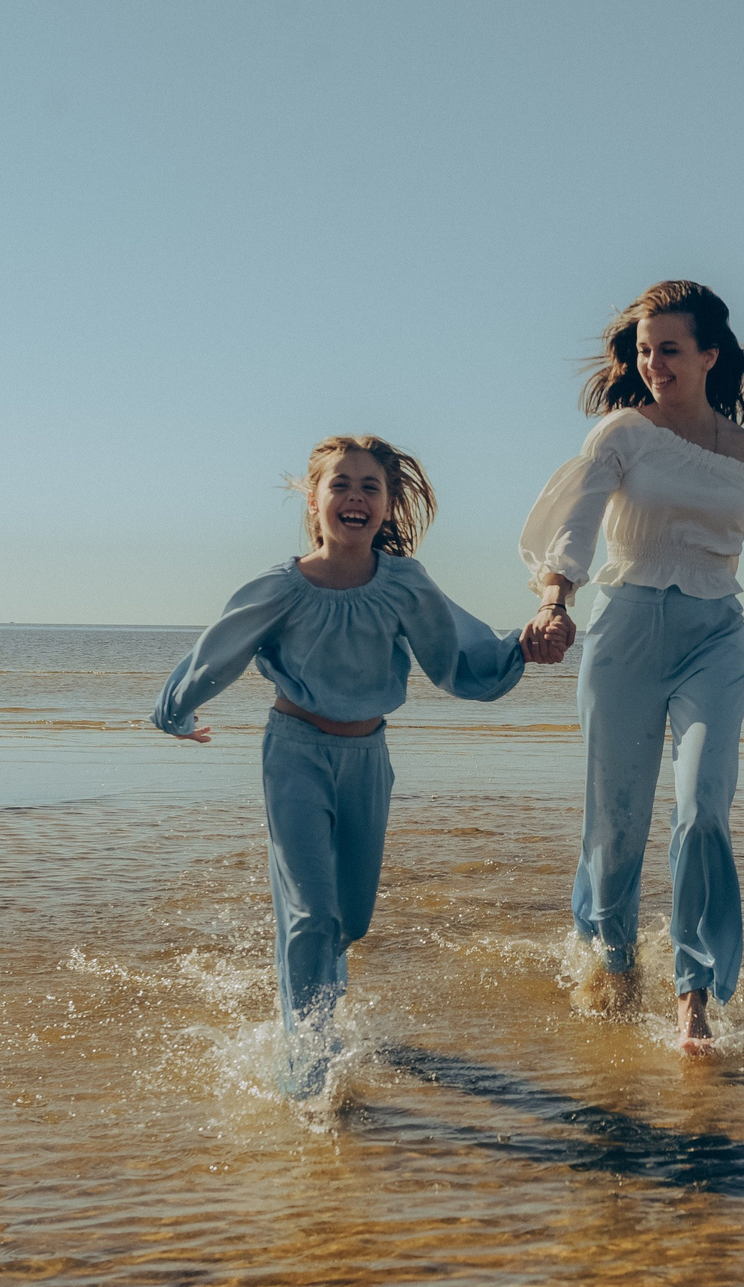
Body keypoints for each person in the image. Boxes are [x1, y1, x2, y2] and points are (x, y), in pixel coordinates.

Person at [152, 436, 543, 1096]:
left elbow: (455, 657)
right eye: (341, 484)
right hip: (295, 753)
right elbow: (219, 651)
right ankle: (307, 1061)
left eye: (369, 487)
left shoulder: (404, 585)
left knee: (349, 920)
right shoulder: (282, 587)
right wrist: (177, 710)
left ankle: (319, 996)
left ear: (388, 507)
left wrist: (520, 650)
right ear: (314, 499)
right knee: (309, 913)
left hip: (367, 758)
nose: (354, 497)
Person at [518, 281, 744, 1054]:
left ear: (708, 354)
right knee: (617, 825)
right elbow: (577, 522)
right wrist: (555, 599)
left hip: (714, 636)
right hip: (625, 633)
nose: (653, 362)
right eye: (644, 349)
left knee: (702, 807)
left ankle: (694, 998)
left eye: (670, 348)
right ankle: (614, 963)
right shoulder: (623, 432)